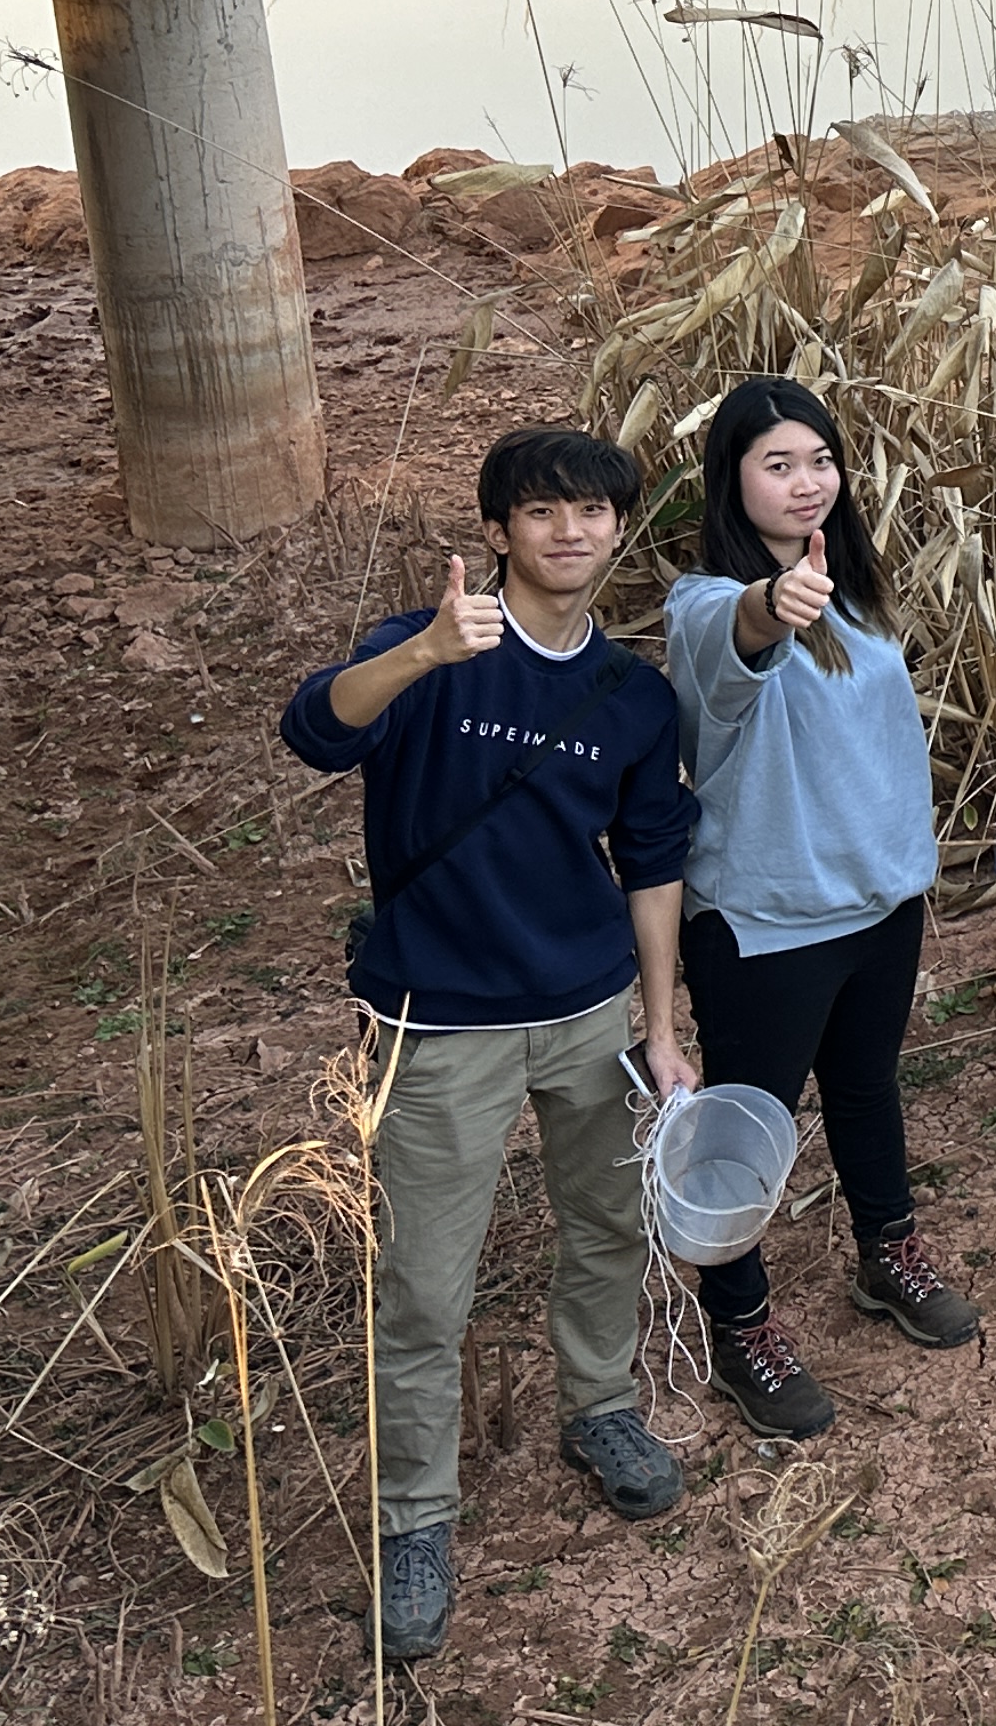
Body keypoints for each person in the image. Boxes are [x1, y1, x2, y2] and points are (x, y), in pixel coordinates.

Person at [280, 426, 698, 1667]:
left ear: (619, 529)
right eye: (542, 512)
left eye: (591, 513)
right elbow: (315, 731)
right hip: (440, 1017)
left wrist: (662, 1029)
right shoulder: (436, 646)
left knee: (607, 1225)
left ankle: (602, 1408)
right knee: (423, 1281)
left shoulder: (632, 695)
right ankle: (416, 1516)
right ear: (500, 529)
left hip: (581, 1007)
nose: (569, 532)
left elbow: (655, 862)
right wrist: (416, 654)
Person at [663, 378, 980, 1438]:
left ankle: (886, 1251)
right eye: (777, 463)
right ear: (733, 481)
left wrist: (906, 867)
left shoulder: (857, 595)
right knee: (744, 1132)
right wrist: (771, 604)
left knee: (865, 1087)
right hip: (766, 920)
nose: (807, 483)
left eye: (819, 461)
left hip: (879, 900)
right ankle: (741, 1323)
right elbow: (740, 641)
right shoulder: (706, 604)